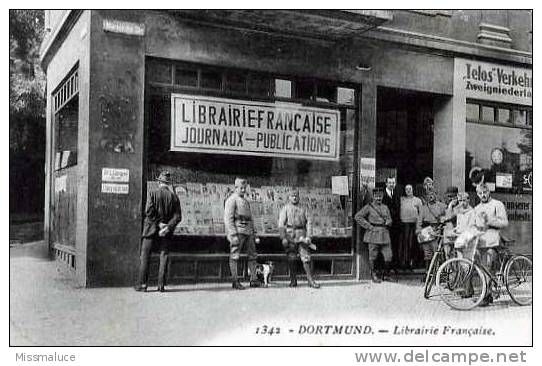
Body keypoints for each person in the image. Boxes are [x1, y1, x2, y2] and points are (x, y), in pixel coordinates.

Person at [136, 171, 182, 292]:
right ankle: (161, 285)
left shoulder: (152, 193)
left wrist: (158, 223)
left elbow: (149, 212)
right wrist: (167, 227)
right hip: (166, 232)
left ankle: (143, 285)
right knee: (164, 255)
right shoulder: (174, 197)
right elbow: (178, 216)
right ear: (168, 183)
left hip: (150, 230)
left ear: (158, 182)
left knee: (145, 256)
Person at [472, 183, 509, 305]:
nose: (483, 195)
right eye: (480, 193)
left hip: (494, 241)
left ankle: (487, 295)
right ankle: (486, 293)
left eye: (485, 192)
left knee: (488, 265)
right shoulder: (476, 208)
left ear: (489, 192)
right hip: (481, 242)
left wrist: (490, 221)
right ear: (477, 194)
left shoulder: (497, 204)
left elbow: (504, 223)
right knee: (482, 268)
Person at [278, 189, 320, 289]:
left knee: (306, 258)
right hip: (290, 235)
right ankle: (293, 280)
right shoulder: (285, 208)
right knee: (291, 258)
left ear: (299, 197)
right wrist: (283, 237)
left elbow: (309, 223)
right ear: (289, 197)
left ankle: (310, 280)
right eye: (292, 196)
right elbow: (281, 224)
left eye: (296, 196)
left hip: (302, 235)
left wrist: (309, 236)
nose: (295, 197)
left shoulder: (304, 208)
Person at [224, 178, 260, 290]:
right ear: (236, 188)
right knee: (235, 256)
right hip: (238, 231)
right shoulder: (231, 200)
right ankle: (235, 280)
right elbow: (228, 219)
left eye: (245, 188)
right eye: (241, 188)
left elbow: (250, 219)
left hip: (248, 232)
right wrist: (232, 234)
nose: (243, 190)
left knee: (253, 255)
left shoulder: (245, 201)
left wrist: (255, 234)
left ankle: (253, 279)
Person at [354, 188, 393, 283]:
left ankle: (385, 274)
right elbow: (358, 216)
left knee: (388, 256)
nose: (378, 198)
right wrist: (369, 226)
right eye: (376, 196)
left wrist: (389, 221)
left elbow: (390, 219)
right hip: (373, 233)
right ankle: (373, 274)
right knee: (373, 256)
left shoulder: (385, 207)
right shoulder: (369, 207)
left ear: (383, 197)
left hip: (384, 233)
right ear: (373, 197)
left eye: (380, 196)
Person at [417, 190, 447, 277]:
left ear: (435, 195)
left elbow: (447, 215)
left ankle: (439, 274)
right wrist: (419, 232)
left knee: (437, 252)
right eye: (428, 195)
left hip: (437, 230)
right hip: (426, 231)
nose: (430, 196)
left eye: (432, 194)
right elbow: (419, 221)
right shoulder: (423, 208)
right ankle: (428, 274)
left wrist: (442, 221)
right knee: (427, 253)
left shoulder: (441, 206)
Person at [399, 184, 423, 269]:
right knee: (404, 245)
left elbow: (421, 214)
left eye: (410, 189)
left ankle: (413, 263)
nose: (408, 190)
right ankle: (404, 262)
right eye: (406, 189)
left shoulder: (418, 200)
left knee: (412, 244)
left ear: (413, 189)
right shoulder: (401, 199)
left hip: (414, 225)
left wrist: (418, 226)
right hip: (404, 225)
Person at [381, 176, 401, 271]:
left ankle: (393, 266)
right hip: (385, 225)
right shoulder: (382, 195)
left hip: (395, 226)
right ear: (386, 184)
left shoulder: (396, 194)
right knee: (385, 246)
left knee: (394, 245)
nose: (391, 184)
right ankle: (385, 268)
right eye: (390, 183)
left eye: (393, 183)